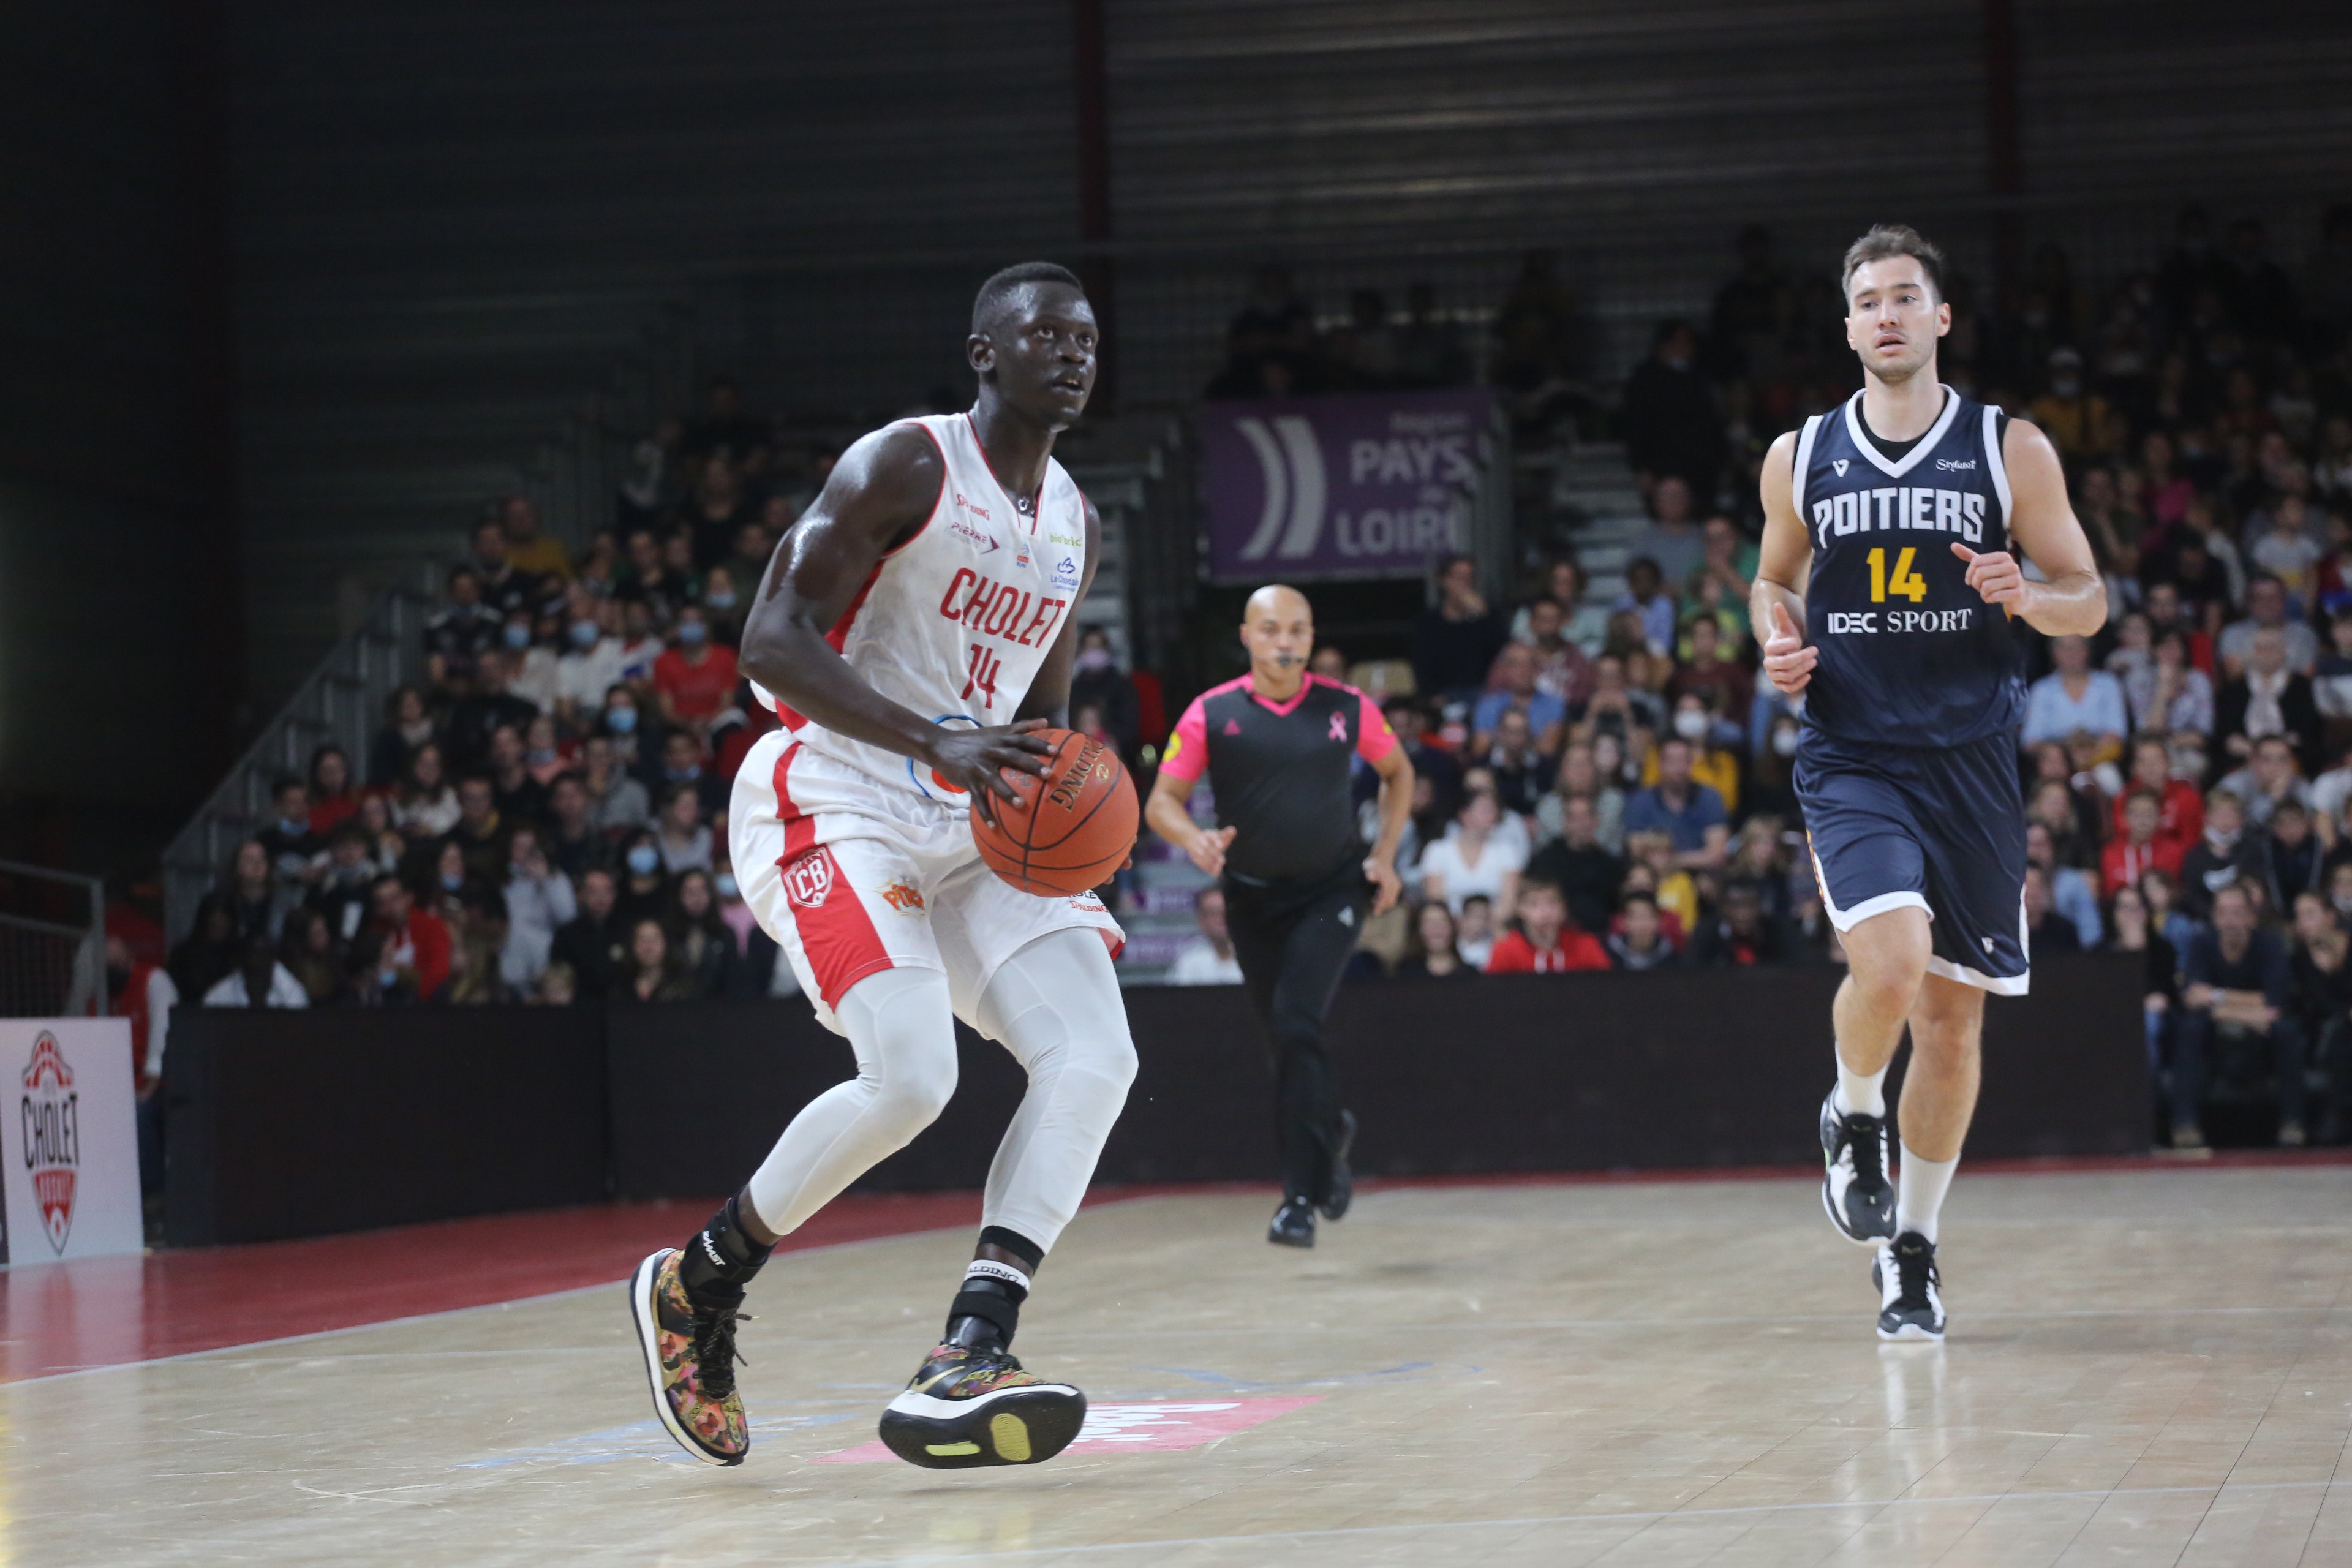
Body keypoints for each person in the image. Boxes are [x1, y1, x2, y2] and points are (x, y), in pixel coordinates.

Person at [631, 263, 1137, 1473]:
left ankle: (973, 1343)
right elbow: (769, 637)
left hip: (972, 819)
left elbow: (1044, 710)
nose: (1072, 353)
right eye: (1045, 335)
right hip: (836, 793)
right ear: (983, 350)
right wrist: (932, 737)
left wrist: (1069, 791)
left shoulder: (1076, 518)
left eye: (1087, 339)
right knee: (914, 1077)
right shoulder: (905, 464)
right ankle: (699, 1283)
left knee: (1098, 1054)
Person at [1752, 224, 2106, 1341]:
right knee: (1894, 959)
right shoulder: (1800, 454)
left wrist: (2029, 598)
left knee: (1953, 1026)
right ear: (1849, 326)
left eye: (1907, 296)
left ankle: (1913, 1252)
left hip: (1973, 763)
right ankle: (1853, 1111)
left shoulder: (2011, 448)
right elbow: (1772, 579)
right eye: (1870, 301)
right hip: (1854, 751)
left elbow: (2087, 596)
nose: (1889, 314)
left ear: (1941, 318)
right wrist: (1775, 638)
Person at [1145, 583, 1414, 1249]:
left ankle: (1299, 1197)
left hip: (1333, 891)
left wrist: (1384, 855)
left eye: (1297, 629)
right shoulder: (1212, 711)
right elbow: (1162, 802)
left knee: (1297, 1023)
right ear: (1247, 635)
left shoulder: (1347, 707)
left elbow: (1398, 774)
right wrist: (1193, 838)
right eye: (1271, 629)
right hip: (1251, 898)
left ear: (1311, 636)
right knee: (1285, 1046)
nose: (1285, 641)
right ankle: (1333, 1129)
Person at [2175, 884, 2307, 1148]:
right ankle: (2185, 1124)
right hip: (2222, 1032)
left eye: (2237, 913)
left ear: (2251, 916)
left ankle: (2293, 1122)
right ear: (2214, 917)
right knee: (2190, 1028)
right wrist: (2250, 1013)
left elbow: (2275, 998)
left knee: (2287, 1031)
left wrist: (2214, 998)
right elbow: (2193, 998)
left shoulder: (2269, 942)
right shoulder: (2202, 943)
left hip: (2261, 1037)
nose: (2230, 920)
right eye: (2223, 913)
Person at [1482, 875, 1607, 973]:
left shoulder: (1586, 945)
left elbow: (1606, 988)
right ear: (1520, 909)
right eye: (1534, 904)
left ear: (1564, 907)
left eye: (1552, 903)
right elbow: (1491, 995)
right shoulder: (1505, 950)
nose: (1545, 913)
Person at [201, 936, 311, 1009]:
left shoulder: (292, 993)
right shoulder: (217, 997)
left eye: (262, 957)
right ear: (242, 960)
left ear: (272, 961)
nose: (255, 962)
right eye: (252, 956)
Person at [1164, 886, 1244, 986]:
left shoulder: (1254, 958)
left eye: (1226, 912)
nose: (1222, 919)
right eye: (1214, 913)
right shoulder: (1190, 961)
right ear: (1202, 920)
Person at [1395, 902, 1471, 978]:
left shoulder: (1469, 974)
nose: (1436, 929)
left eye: (1442, 922)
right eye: (1429, 923)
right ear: (1420, 930)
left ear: (1452, 928)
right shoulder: (1406, 972)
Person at [1606, 889, 1678, 970]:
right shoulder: (1608, 954)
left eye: (1648, 917)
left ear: (1658, 920)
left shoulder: (1672, 954)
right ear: (1625, 921)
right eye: (1637, 917)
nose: (1642, 925)